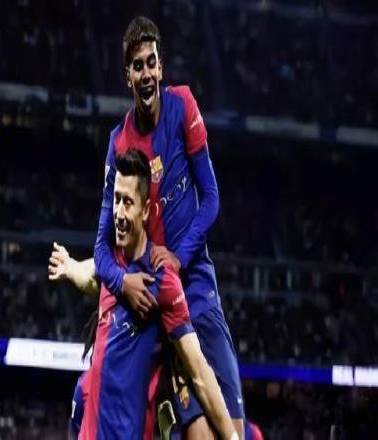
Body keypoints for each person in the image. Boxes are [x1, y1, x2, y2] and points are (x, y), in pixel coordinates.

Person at [93, 16, 244, 439]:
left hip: (194, 282)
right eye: (137, 66)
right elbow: (101, 248)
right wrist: (123, 283)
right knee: (193, 430)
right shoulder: (119, 144)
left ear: (161, 67)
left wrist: (180, 255)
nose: (146, 73)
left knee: (232, 424)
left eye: (151, 63)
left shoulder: (183, 107)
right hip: (151, 295)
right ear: (127, 76)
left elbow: (211, 197)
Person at [64, 149, 236, 440]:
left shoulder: (162, 280)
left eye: (128, 202)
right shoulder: (109, 263)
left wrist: (232, 437)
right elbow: (90, 275)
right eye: (116, 200)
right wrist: (69, 267)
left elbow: (199, 371)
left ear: (145, 210)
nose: (119, 213)